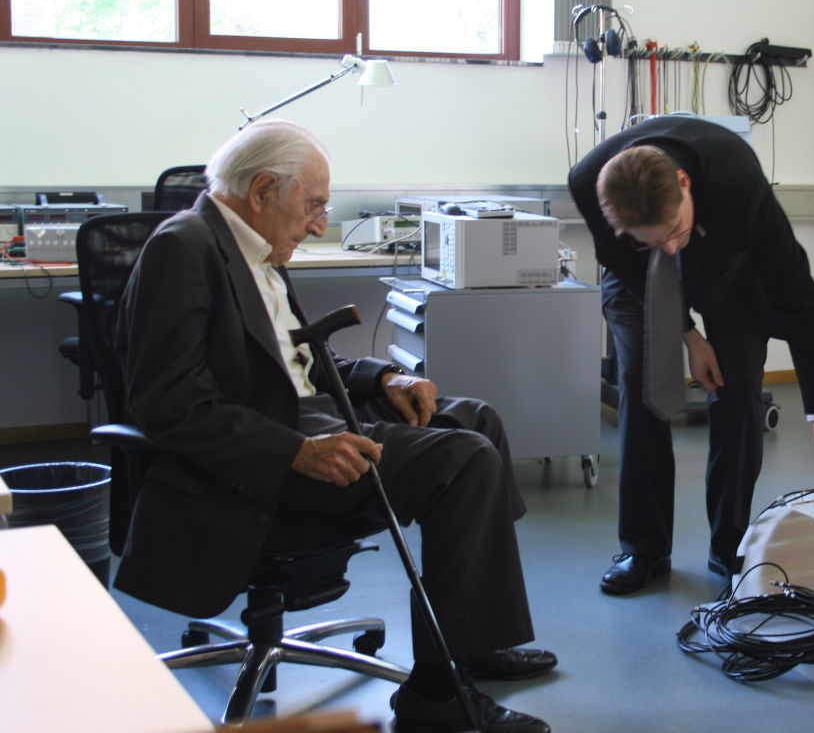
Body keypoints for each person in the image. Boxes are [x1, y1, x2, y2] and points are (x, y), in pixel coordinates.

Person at [116, 119, 553, 733]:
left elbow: (293, 358)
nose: (320, 223)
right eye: (314, 205)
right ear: (264, 189)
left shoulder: (253, 247)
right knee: (467, 462)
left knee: (477, 418)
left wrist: (382, 379)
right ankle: (434, 699)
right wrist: (295, 451)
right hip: (258, 465)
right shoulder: (184, 248)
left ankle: (471, 638)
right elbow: (166, 404)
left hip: (305, 420)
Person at [568, 116, 814, 595]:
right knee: (647, 386)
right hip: (638, 281)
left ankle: (730, 544)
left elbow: (797, 298)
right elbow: (627, 261)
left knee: (738, 384)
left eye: (675, 231)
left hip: (729, 266)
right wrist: (686, 334)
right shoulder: (588, 183)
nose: (670, 247)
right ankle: (644, 547)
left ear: (684, 184)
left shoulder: (736, 182)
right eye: (654, 239)